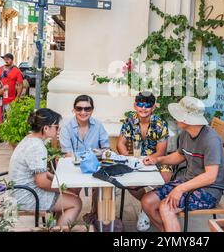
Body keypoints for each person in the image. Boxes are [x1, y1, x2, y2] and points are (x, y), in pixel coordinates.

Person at [140, 96, 224, 232]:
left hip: (209, 190)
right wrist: (158, 159)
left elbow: (210, 176)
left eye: (178, 115)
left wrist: (180, 189)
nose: (175, 117)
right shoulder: (186, 134)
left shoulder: (211, 139)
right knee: (147, 201)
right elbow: (180, 155)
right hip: (188, 183)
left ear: (187, 119)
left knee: (166, 206)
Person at [9, 108, 82, 227]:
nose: (58, 130)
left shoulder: (30, 139)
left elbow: (40, 173)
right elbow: (41, 182)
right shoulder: (36, 147)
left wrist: (60, 184)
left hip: (20, 190)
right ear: (46, 128)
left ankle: (57, 225)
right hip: (27, 196)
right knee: (76, 202)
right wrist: (61, 189)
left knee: (71, 193)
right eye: (56, 127)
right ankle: (59, 229)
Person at [116, 91, 171, 231]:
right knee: (130, 184)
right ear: (135, 105)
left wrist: (152, 159)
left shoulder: (160, 123)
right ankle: (147, 207)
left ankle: (146, 208)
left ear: (153, 107)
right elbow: (120, 144)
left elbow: (161, 152)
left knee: (165, 179)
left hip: (157, 160)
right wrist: (128, 159)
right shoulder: (130, 120)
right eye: (140, 104)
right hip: (135, 160)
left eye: (148, 105)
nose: (144, 108)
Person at [58, 95, 110, 223]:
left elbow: (106, 149)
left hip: (95, 167)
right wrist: (91, 155)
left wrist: (101, 152)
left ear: (92, 110)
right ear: (74, 110)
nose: (83, 112)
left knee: (101, 188)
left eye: (87, 109)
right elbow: (67, 153)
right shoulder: (66, 127)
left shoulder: (98, 125)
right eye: (79, 108)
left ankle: (96, 215)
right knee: (73, 190)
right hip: (74, 168)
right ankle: (65, 217)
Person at [0, 53, 23, 143]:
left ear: (12, 60)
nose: (6, 61)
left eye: (8, 59)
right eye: (5, 59)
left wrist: (17, 97)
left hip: (10, 99)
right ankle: (0, 135)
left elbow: (20, 85)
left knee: (9, 117)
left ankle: (10, 135)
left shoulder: (16, 71)